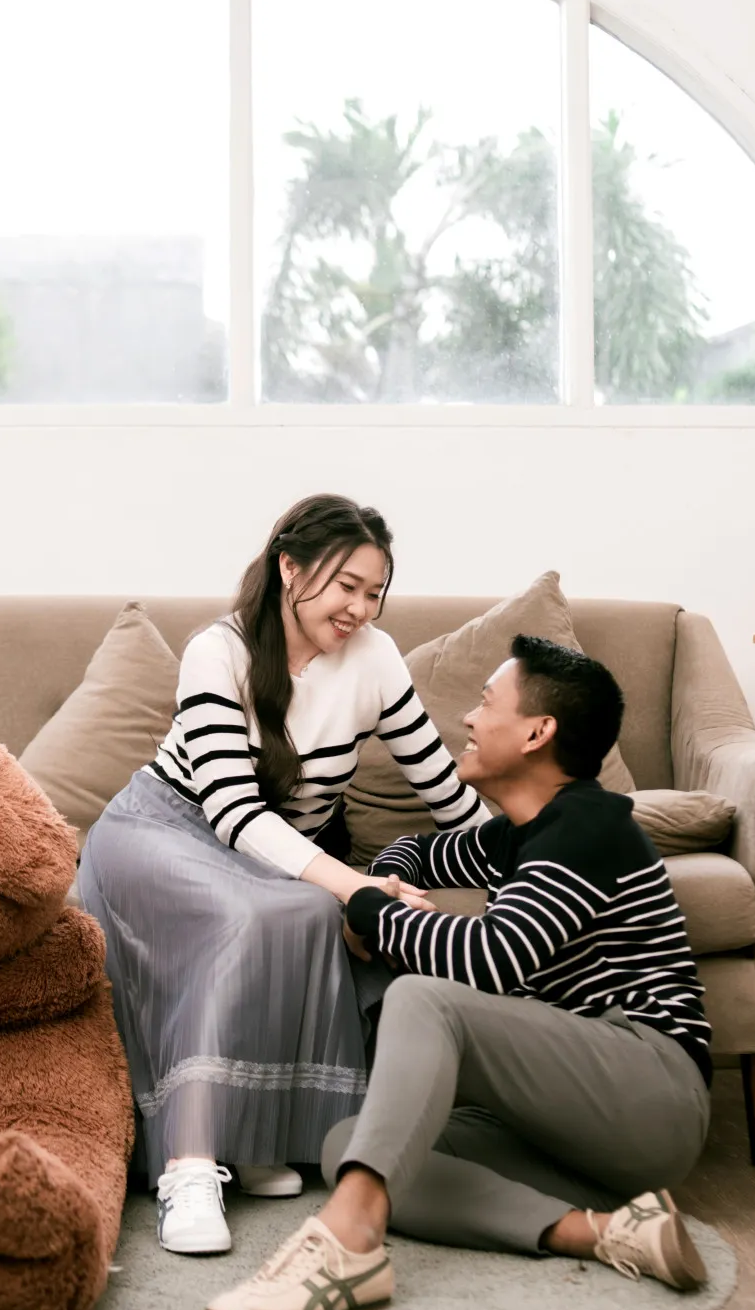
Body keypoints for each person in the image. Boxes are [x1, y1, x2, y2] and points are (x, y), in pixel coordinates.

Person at [201, 635, 711, 1310]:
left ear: (536, 732)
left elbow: (489, 962)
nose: (469, 718)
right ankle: (603, 1231)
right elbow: (413, 852)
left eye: (486, 702)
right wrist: (384, 887)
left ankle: (345, 1247)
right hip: (568, 1131)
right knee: (351, 1145)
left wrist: (369, 910)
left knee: (423, 996)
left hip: (651, 1090)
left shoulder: (589, 826)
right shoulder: (513, 836)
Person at [77, 494, 485, 1257]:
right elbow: (233, 812)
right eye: (347, 586)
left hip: (263, 855)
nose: (361, 608)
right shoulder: (219, 651)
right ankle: (189, 1165)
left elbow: (446, 789)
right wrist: (357, 887)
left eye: (375, 592)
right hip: (162, 830)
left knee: (304, 912)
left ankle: (250, 1136)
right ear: (289, 568)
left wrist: (540, 859)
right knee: (254, 915)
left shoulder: (375, 659)